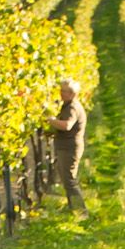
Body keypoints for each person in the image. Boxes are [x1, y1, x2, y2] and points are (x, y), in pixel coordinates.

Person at [49, 77, 87, 215]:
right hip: (66, 146)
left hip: (69, 147)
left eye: (65, 91)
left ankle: (81, 212)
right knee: (66, 178)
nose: (61, 93)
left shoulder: (72, 107)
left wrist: (51, 121)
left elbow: (67, 125)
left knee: (69, 179)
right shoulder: (68, 105)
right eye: (61, 90)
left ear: (73, 94)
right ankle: (74, 208)